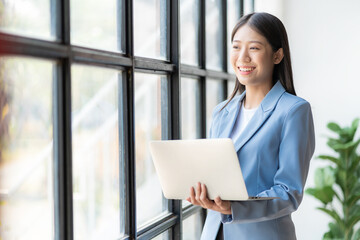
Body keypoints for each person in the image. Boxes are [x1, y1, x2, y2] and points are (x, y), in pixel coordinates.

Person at [186, 12, 315, 240]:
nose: (242, 57)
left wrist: (233, 208)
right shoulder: (221, 113)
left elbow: (289, 193)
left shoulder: (293, 111)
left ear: (277, 55)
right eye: (236, 47)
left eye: (254, 48)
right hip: (215, 233)